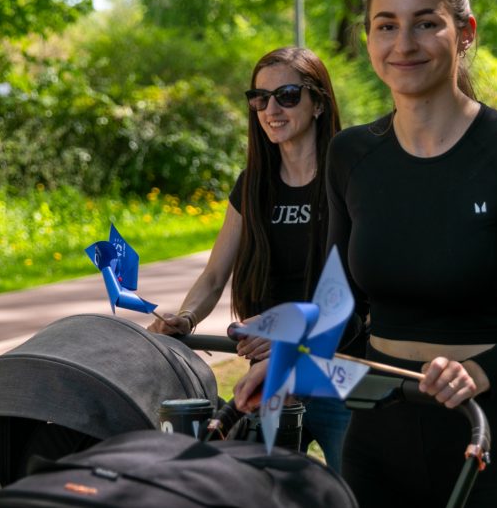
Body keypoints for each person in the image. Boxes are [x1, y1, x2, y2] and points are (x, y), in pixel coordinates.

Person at [279, 0, 497, 507]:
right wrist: (285, 366)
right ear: (368, 38)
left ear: (464, 32)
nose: (404, 44)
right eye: (386, 26)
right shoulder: (351, 156)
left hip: (488, 432)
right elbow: (336, 301)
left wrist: (479, 371)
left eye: (426, 22)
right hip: (376, 430)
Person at [148, 46, 352, 471]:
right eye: (259, 98)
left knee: (355, 493)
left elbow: (361, 285)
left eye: (287, 96)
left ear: (318, 103)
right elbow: (214, 275)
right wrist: (185, 318)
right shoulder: (252, 185)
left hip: (337, 375)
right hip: (268, 377)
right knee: (263, 492)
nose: (270, 109)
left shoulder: (349, 179)